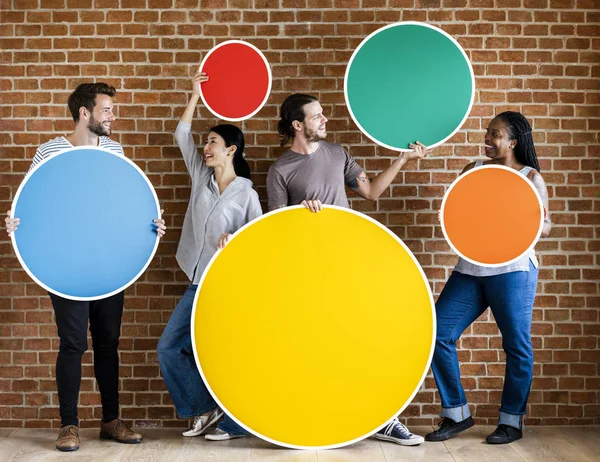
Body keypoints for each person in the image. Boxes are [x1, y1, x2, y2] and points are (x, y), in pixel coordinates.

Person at [4, 82, 166, 452]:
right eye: (107, 110)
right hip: (65, 263)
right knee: (73, 343)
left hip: (109, 261)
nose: (113, 116)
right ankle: (69, 426)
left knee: (108, 342)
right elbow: (32, 202)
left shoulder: (114, 150)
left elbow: (121, 202)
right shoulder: (50, 152)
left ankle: (111, 420)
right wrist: (14, 223)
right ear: (85, 114)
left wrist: (150, 225)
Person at [267, 93, 429, 446]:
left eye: (323, 115)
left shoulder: (338, 154)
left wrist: (401, 159)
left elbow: (371, 192)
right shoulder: (280, 170)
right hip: (310, 276)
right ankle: (317, 421)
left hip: (349, 267)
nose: (325, 120)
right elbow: (275, 233)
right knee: (317, 349)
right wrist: (301, 217)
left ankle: (385, 420)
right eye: (317, 116)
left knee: (366, 341)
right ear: (298, 124)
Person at [425, 111, 551, 445]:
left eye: (494, 135)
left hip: (512, 270)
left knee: (517, 345)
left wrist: (527, 223)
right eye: (487, 133)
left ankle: (511, 421)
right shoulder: (473, 170)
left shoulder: (530, 177)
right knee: (437, 331)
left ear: (513, 141)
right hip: (470, 269)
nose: (487, 140)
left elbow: (546, 225)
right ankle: (457, 413)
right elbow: (458, 211)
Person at [156, 69, 262, 442]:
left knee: (226, 356)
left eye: (213, 141)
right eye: (207, 141)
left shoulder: (247, 194)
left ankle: (233, 423)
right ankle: (203, 409)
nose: (206, 146)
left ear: (231, 149)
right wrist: (194, 95)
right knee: (170, 348)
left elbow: (258, 241)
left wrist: (235, 239)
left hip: (227, 285)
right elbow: (181, 135)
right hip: (196, 279)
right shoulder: (200, 176)